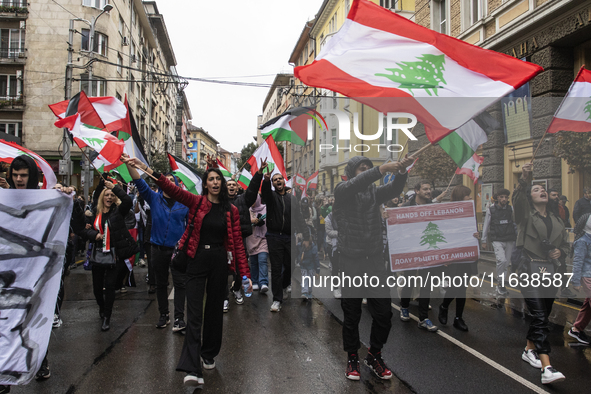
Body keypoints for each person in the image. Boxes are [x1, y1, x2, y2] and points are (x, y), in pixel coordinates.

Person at [122, 156, 251, 388]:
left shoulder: (230, 210)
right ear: (205, 184)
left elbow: (238, 245)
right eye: (210, 179)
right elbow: (171, 188)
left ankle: (209, 353)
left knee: (213, 312)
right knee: (194, 314)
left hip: (219, 264)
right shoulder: (196, 202)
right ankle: (192, 367)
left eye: (217, 179)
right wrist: (146, 169)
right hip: (196, 261)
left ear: (221, 184)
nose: (214, 182)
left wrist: (245, 275)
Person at [334, 155, 412, 381]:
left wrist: (401, 171)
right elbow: (356, 183)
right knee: (352, 314)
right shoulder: (343, 190)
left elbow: (396, 188)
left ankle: (374, 354)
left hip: (375, 261)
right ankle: (352, 357)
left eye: (368, 167)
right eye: (361, 168)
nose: (366, 171)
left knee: (384, 314)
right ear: (351, 172)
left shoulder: (375, 193)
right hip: (351, 261)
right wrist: (380, 169)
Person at [513, 163, 569, 384]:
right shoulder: (525, 216)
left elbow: (565, 245)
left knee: (542, 315)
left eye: (542, 189)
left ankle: (529, 349)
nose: (541, 191)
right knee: (539, 316)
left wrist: (560, 252)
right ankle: (547, 367)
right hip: (530, 269)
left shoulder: (557, 220)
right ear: (530, 196)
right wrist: (525, 178)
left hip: (550, 272)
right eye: (535, 190)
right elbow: (518, 201)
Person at [125, 163, 189, 333]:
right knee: (161, 283)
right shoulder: (154, 198)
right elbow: (138, 181)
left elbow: (191, 226)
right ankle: (164, 314)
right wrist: (128, 164)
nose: (168, 182)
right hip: (158, 248)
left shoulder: (184, 203)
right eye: (165, 180)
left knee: (180, 284)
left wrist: (186, 245)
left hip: (178, 251)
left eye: (171, 180)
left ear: (176, 184)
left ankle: (179, 318)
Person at [83, 178, 139, 332]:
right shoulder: (95, 212)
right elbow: (83, 230)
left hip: (114, 255)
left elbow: (127, 200)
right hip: (98, 254)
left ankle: (107, 316)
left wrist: (114, 188)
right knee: (96, 289)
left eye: (112, 195)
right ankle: (102, 307)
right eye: (106, 195)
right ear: (102, 197)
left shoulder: (118, 211)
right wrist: (94, 235)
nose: (109, 198)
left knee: (109, 287)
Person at [261, 172, 306, 312]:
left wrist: (307, 234)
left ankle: (284, 284)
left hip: (289, 236)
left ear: (284, 181)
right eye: (275, 180)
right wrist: (266, 180)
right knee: (275, 268)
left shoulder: (292, 198)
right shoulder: (271, 197)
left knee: (291, 264)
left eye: (279, 178)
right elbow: (265, 192)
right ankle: (276, 300)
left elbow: (298, 217)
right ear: (273, 184)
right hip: (274, 237)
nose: (278, 181)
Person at [438, 185, 480, 331]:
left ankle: (458, 318)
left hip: (467, 256)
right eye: (467, 195)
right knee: (455, 286)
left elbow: (472, 231)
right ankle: (444, 306)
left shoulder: (470, 212)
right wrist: (444, 256)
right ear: (460, 196)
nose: (469, 197)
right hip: (454, 257)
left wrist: (477, 236)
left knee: (463, 288)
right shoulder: (448, 213)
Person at [399, 180, 438, 332]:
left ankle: (423, 318)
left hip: (427, 250)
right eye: (425, 188)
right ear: (416, 190)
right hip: (411, 250)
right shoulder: (406, 208)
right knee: (409, 281)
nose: (428, 191)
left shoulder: (433, 207)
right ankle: (404, 307)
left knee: (426, 284)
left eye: (430, 188)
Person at [223, 164, 262, 311]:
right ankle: (224, 297)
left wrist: (258, 174)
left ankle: (237, 289)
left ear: (237, 188)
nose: (231, 186)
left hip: (239, 240)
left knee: (240, 269)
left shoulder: (243, 200)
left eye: (234, 184)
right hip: (223, 241)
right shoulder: (219, 202)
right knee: (223, 270)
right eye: (229, 184)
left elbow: (252, 190)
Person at [481, 188, 517, 296]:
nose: (504, 199)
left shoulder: (510, 209)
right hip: (497, 239)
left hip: (509, 238)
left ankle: (501, 284)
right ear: (497, 198)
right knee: (501, 260)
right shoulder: (491, 210)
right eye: (502, 197)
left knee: (506, 263)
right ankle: (500, 283)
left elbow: (514, 222)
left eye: (506, 197)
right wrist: (483, 240)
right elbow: (486, 225)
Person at [569, 213, 591, 345]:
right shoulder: (582, 241)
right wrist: (576, 281)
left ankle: (577, 328)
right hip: (587, 276)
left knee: (588, 306)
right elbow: (578, 262)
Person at [246, 195, 269, 295]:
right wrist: (251, 221)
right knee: (254, 261)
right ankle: (255, 281)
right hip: (251, 239)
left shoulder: (266, 209)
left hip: (263, 238)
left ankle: (263, 282)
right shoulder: (247, 210)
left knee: (262, 260)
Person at [325, 211, 340, 298]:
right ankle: (336, 288)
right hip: (332, 246)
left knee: (345, 267)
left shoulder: (344, 215)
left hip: (343, 245)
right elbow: (329, 232)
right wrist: (341, 233)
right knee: (335, 267)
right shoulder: (329, 218)